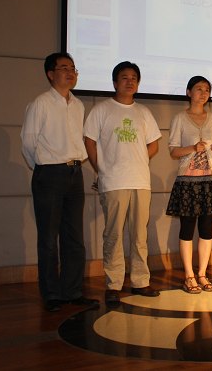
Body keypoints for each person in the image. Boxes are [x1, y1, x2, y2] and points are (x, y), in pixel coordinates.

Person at [21, 52, 98, 312]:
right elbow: (28, 143)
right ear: (50, 74)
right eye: (64, 67)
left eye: (73, 68)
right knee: (48, 238)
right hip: (49, 173)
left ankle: (72, 291)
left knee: (74, 236)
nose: (70, 72)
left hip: (75, 172)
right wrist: (43, 167)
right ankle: (52, 293)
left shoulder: (78, 105)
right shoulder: (40, 103)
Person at [83, 61, 162, 306]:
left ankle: (140, 281)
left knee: (139, 235)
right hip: (113, 181)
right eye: (125, 77)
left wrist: (137, 159)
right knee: (114, 235)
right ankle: (113, 284)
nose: (130, 81)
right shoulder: (102, 110)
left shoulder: (143, 112)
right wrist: (101, 168)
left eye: (134, 78)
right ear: (115, 82)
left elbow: (154, 144)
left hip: (140, 180)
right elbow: (89, 141)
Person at [166, 76, 212, 293]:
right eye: (199, 89)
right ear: (189, 92)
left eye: (207, 89)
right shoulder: (180, 118)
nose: (203, 93)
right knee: (187, 228)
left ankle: (202, 274)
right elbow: (173, 151)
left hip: (209, 180)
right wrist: (193, 148)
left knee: (206, 229)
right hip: (187, 181)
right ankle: (189, 276)